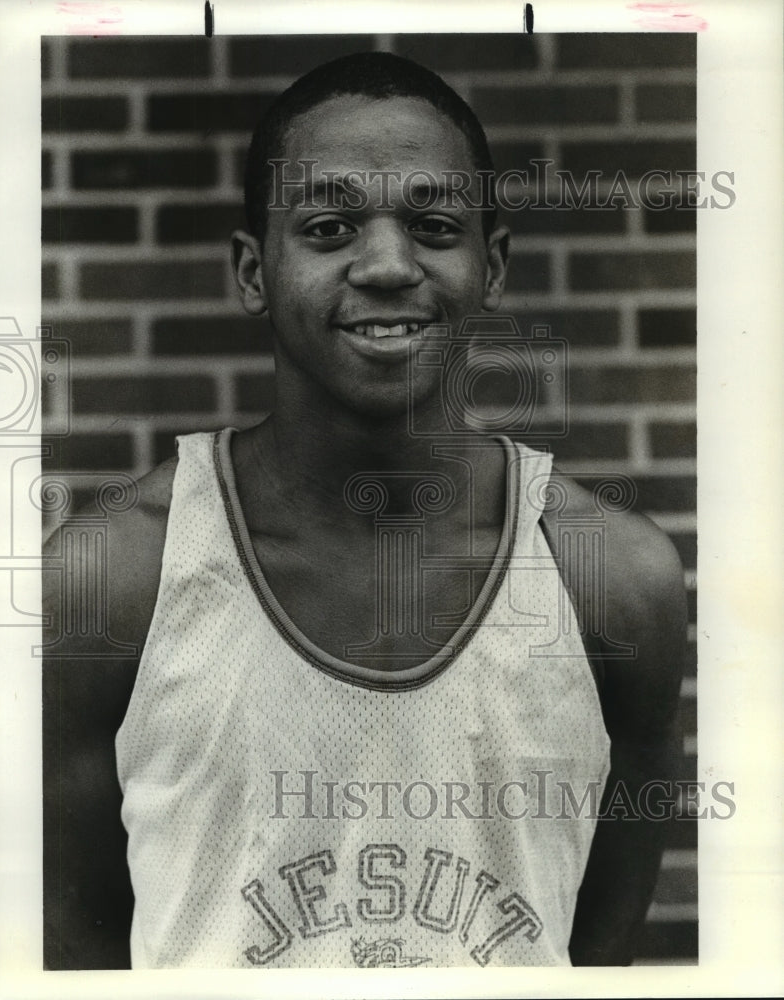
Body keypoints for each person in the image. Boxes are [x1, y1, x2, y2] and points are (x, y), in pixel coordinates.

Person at [42, 51, 686, 970]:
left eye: (432, 225)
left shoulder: (613, 583)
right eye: (330, 225)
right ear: (253, 270)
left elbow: (597, 960)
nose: (387, 264)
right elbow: (78, 958)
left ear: (490, 265)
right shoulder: (113, 579)